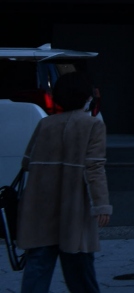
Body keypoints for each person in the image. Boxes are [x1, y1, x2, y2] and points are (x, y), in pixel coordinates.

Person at [17, 71, 111, 293]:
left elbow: (27, 161)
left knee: (38, 265)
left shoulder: (46, 124)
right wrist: (101, 205)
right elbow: (94, 168)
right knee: (79, 267)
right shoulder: (93, 125)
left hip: (40, 206)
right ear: (87, 97)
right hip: (73, 206)